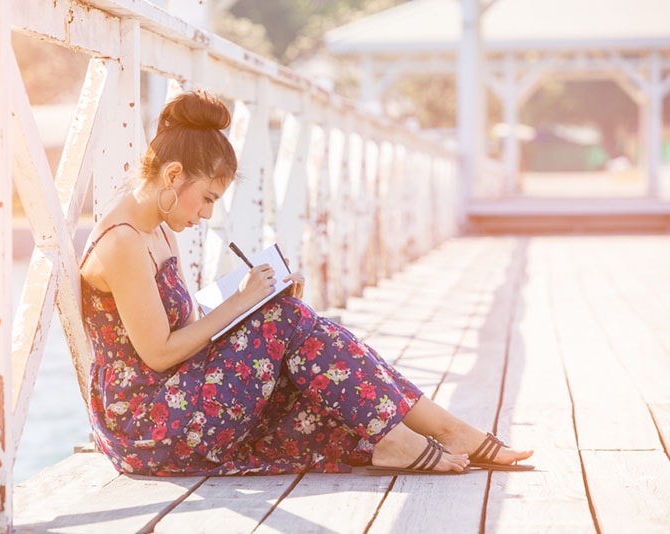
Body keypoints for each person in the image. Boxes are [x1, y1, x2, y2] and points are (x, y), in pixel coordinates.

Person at [79, 90, 533, 476]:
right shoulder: (122, 243)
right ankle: (431, 434)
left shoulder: (156, 229)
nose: (207, 214)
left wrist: (254, 306)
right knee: (285, 320)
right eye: (208, 198)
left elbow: (187, 327)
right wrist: (243, 304)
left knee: (317, 392)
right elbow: (158, 354)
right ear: (173, 175)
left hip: (178, 404)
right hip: (145, 427)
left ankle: (418, 435)